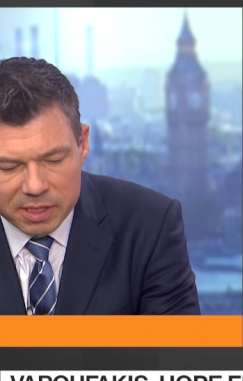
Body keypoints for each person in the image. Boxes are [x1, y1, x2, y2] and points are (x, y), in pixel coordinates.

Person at [0, 57, 200, 315]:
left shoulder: (150, 228)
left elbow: (176, 342)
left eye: (53, 160)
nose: (35, 186)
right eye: (9, 167)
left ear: (82, 144)